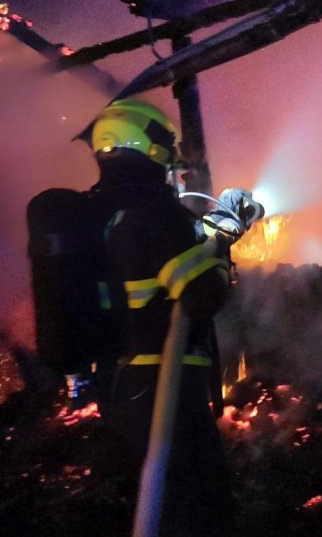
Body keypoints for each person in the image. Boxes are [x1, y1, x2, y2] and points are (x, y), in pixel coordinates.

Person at [87, 99, 238, 536]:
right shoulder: (157, 212)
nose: (173, 157)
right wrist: (222, 249)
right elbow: (202, 297)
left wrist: (210, 233)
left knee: (145, 500)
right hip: (165, 386)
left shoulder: (99, 211)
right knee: (199, 505)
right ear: (148, 146)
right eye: (168, 144)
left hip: (117, 385)